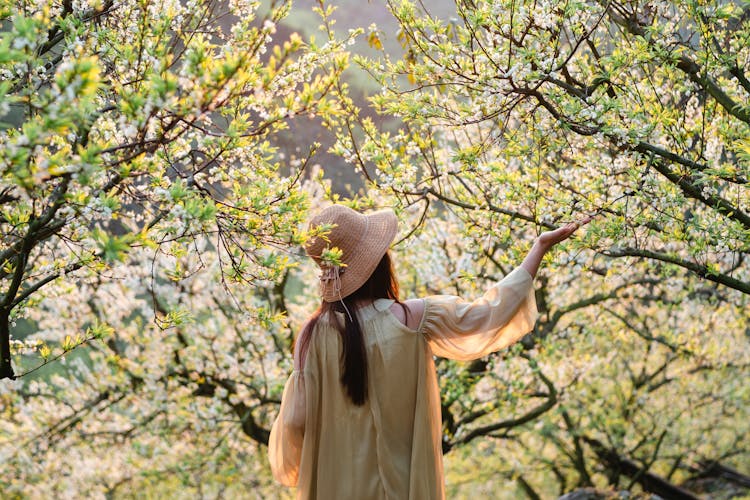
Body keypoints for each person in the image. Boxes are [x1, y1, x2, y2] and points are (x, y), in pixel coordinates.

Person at [268, 204, 589, 499]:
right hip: (405, 487)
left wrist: (305, 465)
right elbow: (490, 314)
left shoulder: (312, 336)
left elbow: (296, 421)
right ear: (379, 262)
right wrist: (538, 249)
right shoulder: (413, 319)